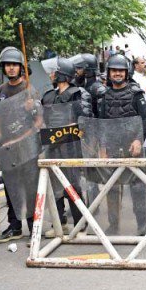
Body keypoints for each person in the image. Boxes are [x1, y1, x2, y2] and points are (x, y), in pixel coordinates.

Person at [41, 57, 93, 238]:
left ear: (63, 74)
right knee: (55, 187)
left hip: (72, 146)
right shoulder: (48, 96)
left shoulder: (79, 93)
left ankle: (81, 225)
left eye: (54, 72)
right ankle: (59, 223)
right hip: (53, 146)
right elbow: (44, 120)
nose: (51, 75)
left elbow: (86, 120)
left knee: (73, 186)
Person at [98, 55, 146, 235]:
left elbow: (144, 119)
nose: (118, 73)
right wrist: (102, 148)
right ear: (109, 73)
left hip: (132, 148)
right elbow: (102, 123)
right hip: (112, 148)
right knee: (112, 188)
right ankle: (114, 225)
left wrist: (138, 140)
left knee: (138, 188)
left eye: (121, 70)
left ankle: (142, 225)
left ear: (126, 72)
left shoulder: (136, 93)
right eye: (114, 70)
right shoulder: (104, 96)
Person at [0, 46, 37, 243]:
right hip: (7, 146)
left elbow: (39, 120)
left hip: (26, 144)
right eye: (8, 65)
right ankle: (15, 226)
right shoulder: (0, 91)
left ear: (21, 67)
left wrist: (33, 108)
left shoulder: (29, 89)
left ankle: (33, 227)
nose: (11, 69)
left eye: (15, 65)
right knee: (12, 187)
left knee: (29, 187)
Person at [72, 53, 106, 117]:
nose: (76, 71)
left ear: (87, 71)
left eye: (79, 68)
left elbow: (104, 115)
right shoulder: (78, 84)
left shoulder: (97, 89)